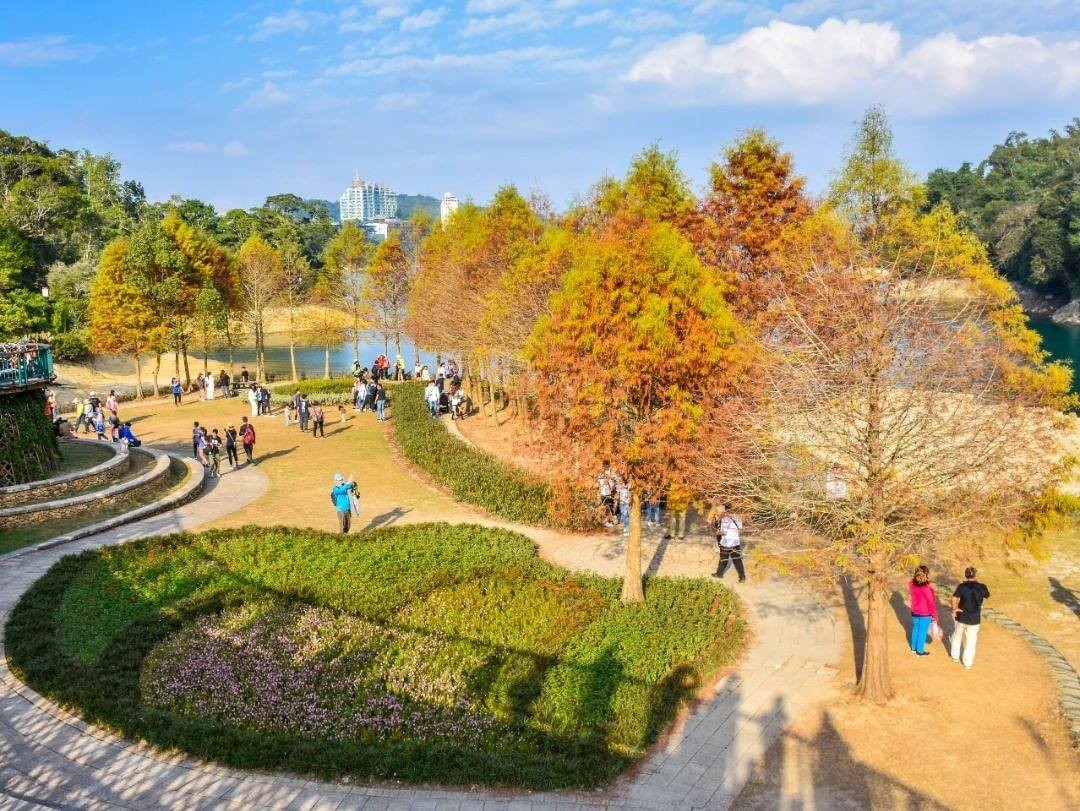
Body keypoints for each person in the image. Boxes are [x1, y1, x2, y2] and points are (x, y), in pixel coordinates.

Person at [950, 567, 990, 669]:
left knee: (957, 636)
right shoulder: (982, 586)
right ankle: (967, 664)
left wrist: (955, 609)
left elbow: (954, 598)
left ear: (966, 575)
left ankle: (955, 657)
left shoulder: (962, 586)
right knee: (971, 641)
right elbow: (987, 595)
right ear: (975, 575)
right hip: (974, 618)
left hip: (962, 616)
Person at [908, 565, 939, 656]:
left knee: (916, 629)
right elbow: (931, 604)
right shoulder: (927, 589)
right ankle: (920, 650)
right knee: (922, 632)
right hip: (925, 613)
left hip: (915, 611)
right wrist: (935, 616)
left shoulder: (911, 584)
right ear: (926, 574)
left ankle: (913, 648)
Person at [711, 503, 746, 582]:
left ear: (725, 511)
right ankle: (742, 577)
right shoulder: (737, 517)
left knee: (723, 559)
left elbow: (724, 533)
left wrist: (718, 533)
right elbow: (740, 527)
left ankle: (719, 574)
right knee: (737, 560)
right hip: (735, 542)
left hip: (726, 543)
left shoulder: (724, 519)